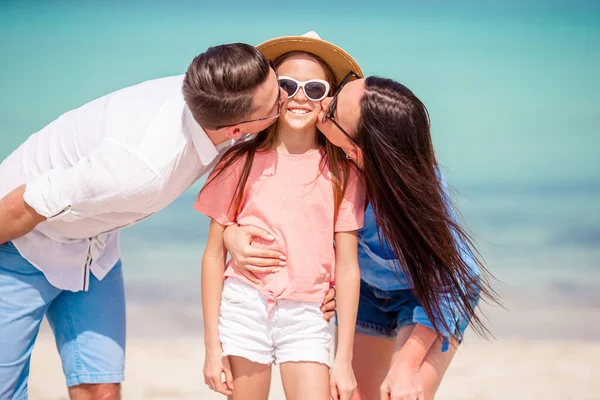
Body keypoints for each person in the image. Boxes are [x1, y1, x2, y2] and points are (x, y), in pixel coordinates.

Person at [0, 42, 294, 400]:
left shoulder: (221, 89)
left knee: (100, 390)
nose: (286, 97)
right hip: (20, 242)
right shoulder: (140, 166)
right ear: (236, 129)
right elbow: (24, 204)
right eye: (277, 100)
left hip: (93, 249)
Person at [224, 34, 497, 400]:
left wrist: (407, 362)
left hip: (430, 298)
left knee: (402, 391)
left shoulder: (418, 190)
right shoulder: (323, 154)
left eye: (333, 110)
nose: (324, 106)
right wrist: (232, 235)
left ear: (356, 150)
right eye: (341, 90)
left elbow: (452, 282)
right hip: (367, 292)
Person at [195, 33, 366, 400]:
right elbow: (213, 255)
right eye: (288, 85)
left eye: (315, 88)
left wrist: (344, 358)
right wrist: (212, 348)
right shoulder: (236, 163)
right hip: (244, 305)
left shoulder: (344, 173)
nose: (301, 96)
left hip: (309, 313)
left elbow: (348, 267)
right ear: (273, 91)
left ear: (328, 99)